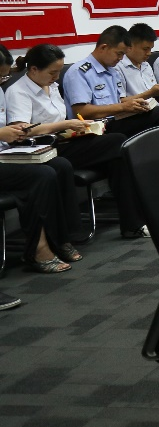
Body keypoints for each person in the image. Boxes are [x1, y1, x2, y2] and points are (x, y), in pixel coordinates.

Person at [7, 44, 130, 257]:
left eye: (58, 72)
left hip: (63, 141)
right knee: (63, 166)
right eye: (52, 72)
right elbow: (23, 131)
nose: (57, 77)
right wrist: (64, 125)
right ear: (34, 69)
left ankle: (132, 218)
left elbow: (61, 121)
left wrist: (79, 129)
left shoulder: (51, 86)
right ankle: (66, 236)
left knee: (118, 143)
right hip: (40, 147)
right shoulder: (18, 91)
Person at [62, 25, 159, 237]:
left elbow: (120, 101)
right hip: (91, 132)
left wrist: (137, 102)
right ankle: (134, 223)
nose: (121, 59)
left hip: (114, 124)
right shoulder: (79, 72)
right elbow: (81, 110)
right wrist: (121, 107)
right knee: (120, 147)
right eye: (118, 54)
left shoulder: (112, 71)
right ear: (104, 47)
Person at [0, 42, 83, 274]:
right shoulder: (16, 91)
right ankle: (39, 249)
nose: (3, 82)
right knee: (42, 175)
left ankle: (61, 238)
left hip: (7, 153)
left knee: (61, 165)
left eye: (4, 77)